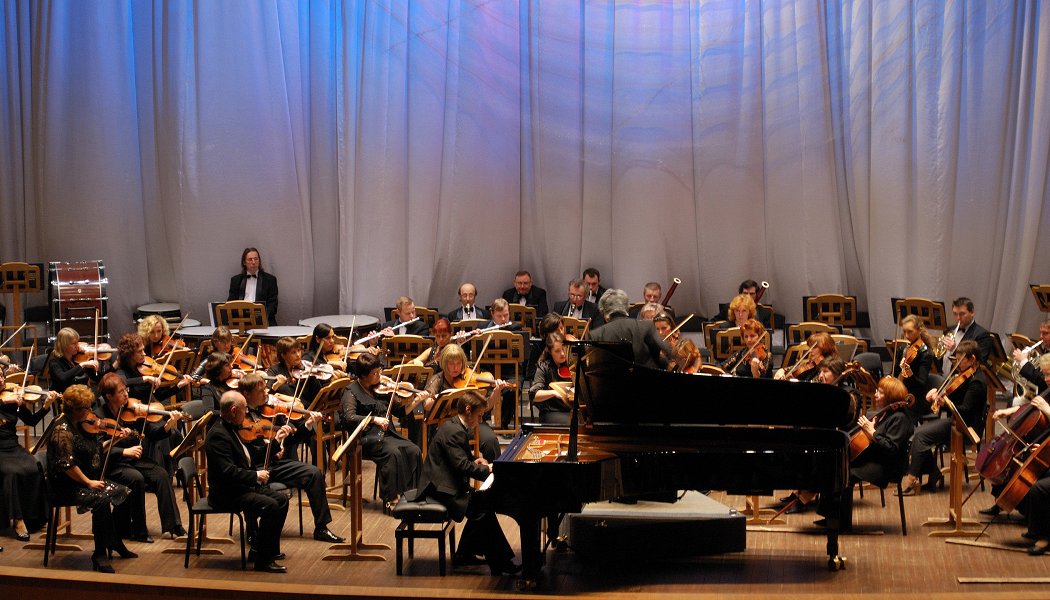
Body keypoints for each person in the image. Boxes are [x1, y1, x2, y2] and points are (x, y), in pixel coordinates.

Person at [411, 391, 519, 575]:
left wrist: (476, 461)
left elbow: (460, 458)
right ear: (468, 409)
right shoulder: (454, 431)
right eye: (479, 415)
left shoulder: (456, 426)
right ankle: (501, 563)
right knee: (482, 509)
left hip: (447, 481)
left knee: (482, 506)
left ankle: (465, 554)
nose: (480, 420)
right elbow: (461, 466)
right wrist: (489, 470)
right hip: (440, 488)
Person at [237, 373, 343, 543]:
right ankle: (252, 529)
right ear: (246, 394)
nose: (266, 393)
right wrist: (273, 444)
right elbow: (246, 452)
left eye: (265, 388)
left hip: (274, 464)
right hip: (253, 468)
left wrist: (307, 425)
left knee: (313, 473)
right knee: (252, 486)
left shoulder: (270, 411)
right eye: (260, 390)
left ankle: (321, 527)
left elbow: (290, 438)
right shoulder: (239, 416)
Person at [47, 384, 138, 573]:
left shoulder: (81, 425)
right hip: (67, 485)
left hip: (83, 480)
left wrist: (116, 439)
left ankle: (114, 540)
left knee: (125, 491)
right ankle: (99, 554)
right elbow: (67, 465)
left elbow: (96, 450)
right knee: (101, 499)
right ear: (74, 409)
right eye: (86, 407)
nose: (90, 411)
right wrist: (88, 482)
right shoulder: (62, 430)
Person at [94, 372, 186, 542]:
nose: (126, 394)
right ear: (109, 396)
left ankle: (173, 525)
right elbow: (97, 449)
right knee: (136, 479)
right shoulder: (100, 416)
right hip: (113, 464)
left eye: (126, 390)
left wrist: (168, 425)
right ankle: (139, 530)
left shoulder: (132, 410)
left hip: (134, 460)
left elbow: (153, 433)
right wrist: (124, 452)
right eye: (121, 392)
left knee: (161, 474)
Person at [816, 377, 915, 531]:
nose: (875, 395)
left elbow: (891, 448)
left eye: (880, 392)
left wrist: (872, 432)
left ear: (890, 397)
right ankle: (831, 516)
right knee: (839, 467)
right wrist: (873, 430)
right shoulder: (887, 412)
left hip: (886, 466)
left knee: (846, 475)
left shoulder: (900, 418)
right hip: (875, 458)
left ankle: (842, 523)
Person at [206, 390, 289, 572]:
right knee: (271, 506)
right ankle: (263, 561)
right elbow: (227, 471)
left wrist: (275, 442)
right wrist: (255, 476)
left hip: (241, 488)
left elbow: (250, 454)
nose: (247, 412)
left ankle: (263, 549)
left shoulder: (233, 429)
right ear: (233, 410)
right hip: (227, 494)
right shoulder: (218, 435)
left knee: (282, 500)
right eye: (244, 409)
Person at [900, 340, 986, 495]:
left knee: (921, 435)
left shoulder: (977, 382)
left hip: (966, 428)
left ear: (972, 359)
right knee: (919, 434)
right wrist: (938, 393)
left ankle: (913, 478)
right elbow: (954, 397)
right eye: (956, 359)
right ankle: (933, 472)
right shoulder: (965, 376)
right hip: (956, 422)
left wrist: (943, 402)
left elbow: (965, 410)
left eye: (961, 360)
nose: (957, 364)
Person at [340, 354, 423, 508]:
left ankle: (412, 494)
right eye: (375, 373)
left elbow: (401, 412)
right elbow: (349, 417)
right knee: (393, 453)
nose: (379, 375)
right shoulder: (351, 391)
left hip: (386, 435)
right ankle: (391, 498)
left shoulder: (381, 389)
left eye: (380, 371)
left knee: (414, 450)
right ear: (363, 375)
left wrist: (415, 401)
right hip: (365, 438)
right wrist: (373, 419)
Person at [421, 344, 506, 461]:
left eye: (459, 363)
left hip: (471, 423)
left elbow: (485, 407)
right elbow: (426, 405)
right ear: (444, 363)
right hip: (445, 426)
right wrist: (444, 395)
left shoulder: (469, 378)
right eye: (451, 363)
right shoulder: (437, 380)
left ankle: (495, 471)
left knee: (490, 440)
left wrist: (496, 391)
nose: (456, 367)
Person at [0, 367, 57, 541]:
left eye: (1, 376)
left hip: (12, 446)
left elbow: (31, 421)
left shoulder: (12, 398)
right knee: (12, 473)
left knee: (34, 467)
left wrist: (46, 406)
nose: (1, 380)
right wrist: (2, 402)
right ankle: (17, 520)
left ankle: (33, 518)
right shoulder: (6, 400)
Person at [588, 289, 671, 370]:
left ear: (604, 313)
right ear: (626, 308)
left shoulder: (595, 335)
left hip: (611, 378)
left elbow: (593, 367)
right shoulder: (646, 326)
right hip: (645, 377)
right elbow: (665, 351)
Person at [111, 333, 192, 404]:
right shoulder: (122, 371)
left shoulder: (145, 369)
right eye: (139, 351)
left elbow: (159, 396)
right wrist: (145, 378)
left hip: (150, 409)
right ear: (129, 355)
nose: (144, 353)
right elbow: (122, 382)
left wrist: (178, 386)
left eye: (143, 350)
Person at [891, 314, 935, 422]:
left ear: (919, 330)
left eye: (910, 331)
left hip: (916, 398)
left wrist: (909, 373)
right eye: (904, 331)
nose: (906, 335)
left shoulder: (925, 353)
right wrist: (889, 378)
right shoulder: (903, 349)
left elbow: (921, 384)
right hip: (903, 393)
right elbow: (894, 373)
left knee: (897, 414)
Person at [529, 333, 574, 424]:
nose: (562, 354)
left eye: (564, 349)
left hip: (572, 410)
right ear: (550, 351)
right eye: (557, 351)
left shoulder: (573, 364)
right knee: (572, 424)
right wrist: (554, 392)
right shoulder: (544, 366)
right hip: (552, 411)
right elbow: (534, 395)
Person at [228, 247, 279, 325]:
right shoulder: (236, 280)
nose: (253, 262)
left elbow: (273, 305)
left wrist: (262, 319)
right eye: (250, 259)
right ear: (244, 262)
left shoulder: (270, 280)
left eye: (256, 259)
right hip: (241, 322)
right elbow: (230, 304)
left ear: (259, 261)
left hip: (264, 322)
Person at [267, 337, 321, 409]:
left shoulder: (305, 369)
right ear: (283, 355)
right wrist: (275, 386)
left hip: (309, 409)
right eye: (293, 352)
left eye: (298, 350)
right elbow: (267, 396)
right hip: (288, 411)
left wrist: (314, 376)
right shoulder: (274, 371)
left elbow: (318, 393)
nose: (298, 355)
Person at [48, 327, 103, 394]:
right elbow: (62, 378)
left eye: (77, 342)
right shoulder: (54, 362)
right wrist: (82, 365)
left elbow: (98, 378)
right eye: (74, 343)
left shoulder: (80, 359)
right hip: (65, 398)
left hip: (82, 397)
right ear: (64, 345)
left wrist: (114, 365)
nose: (77, 346)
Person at [938, 297, 993, 363]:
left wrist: (954, 349)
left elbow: (979, 362)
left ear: (972, 312)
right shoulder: (949, 329)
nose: (958, 318)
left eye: (962, 314)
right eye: (955, 314)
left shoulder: (982, 335)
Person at [1012, 318, 1050, 398]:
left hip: (1045, 398)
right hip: (1039, 394)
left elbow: (1043, 381)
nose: (1040, 337)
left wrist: (1024, 362)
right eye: (1040, 333)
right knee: (1013, 401)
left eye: (1045, 333)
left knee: (1014, 403)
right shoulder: (1046, 350)